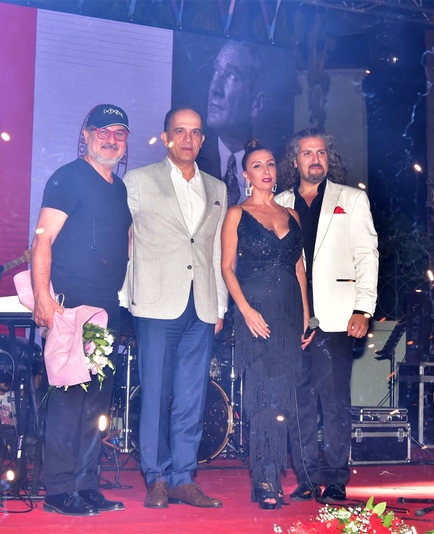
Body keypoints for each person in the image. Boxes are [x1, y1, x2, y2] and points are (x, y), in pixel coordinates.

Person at [123, 107, 227, 509]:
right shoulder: (138, 181)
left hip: (201, 306)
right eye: (180, 131)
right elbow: (125, 239)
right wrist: (126, 295)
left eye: (195, 132)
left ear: (202, 140)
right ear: (166, 137)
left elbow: (214, 250)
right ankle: (157, 478)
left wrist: (219, 305)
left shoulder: (217, 188)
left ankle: (184, 478)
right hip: (155, 302)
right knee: (155, 395)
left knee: (191, 397)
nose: (188, 139)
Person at [32, 104, 132, 517]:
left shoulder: (119, 189)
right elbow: (42, 240)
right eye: (102, 132)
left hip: (106, 307)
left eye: (119, 133)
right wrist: (43, 297)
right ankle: (58, 491)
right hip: (72, 304)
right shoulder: (67, 177)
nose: (111, 140)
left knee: (96, 402)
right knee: (70, 398)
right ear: (86, 134)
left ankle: (86, 485)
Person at [275, 129, 378, 503]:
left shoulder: (351, 199)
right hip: (291, 319)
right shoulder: (278, 202)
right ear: (295, 160)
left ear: (328, 158)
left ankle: (335, 478)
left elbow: (367, 255)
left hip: (337, 316)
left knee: (334, 402)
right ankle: (306, 477)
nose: (314, 159)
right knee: (297, 402)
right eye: (307, 153)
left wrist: (363, 308)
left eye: (320, 152)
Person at [220, 140, 312, 509]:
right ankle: (264, 479)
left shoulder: (292, 215)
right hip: (254, 311)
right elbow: (227, 267)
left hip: (289, 312)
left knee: (283, 397)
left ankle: (273, 471)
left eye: (270, 164)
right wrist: (244, 310)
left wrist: (306, 316)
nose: (266, 171)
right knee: (261, 395)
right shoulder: (237, 214)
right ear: (246, 174)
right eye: (257, 165)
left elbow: (299, 269)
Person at [197, 41, 266, 207]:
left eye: (231, 76)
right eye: (216, 71)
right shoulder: (193, 162)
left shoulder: (272, 170)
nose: (215, 88)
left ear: (256, 105)